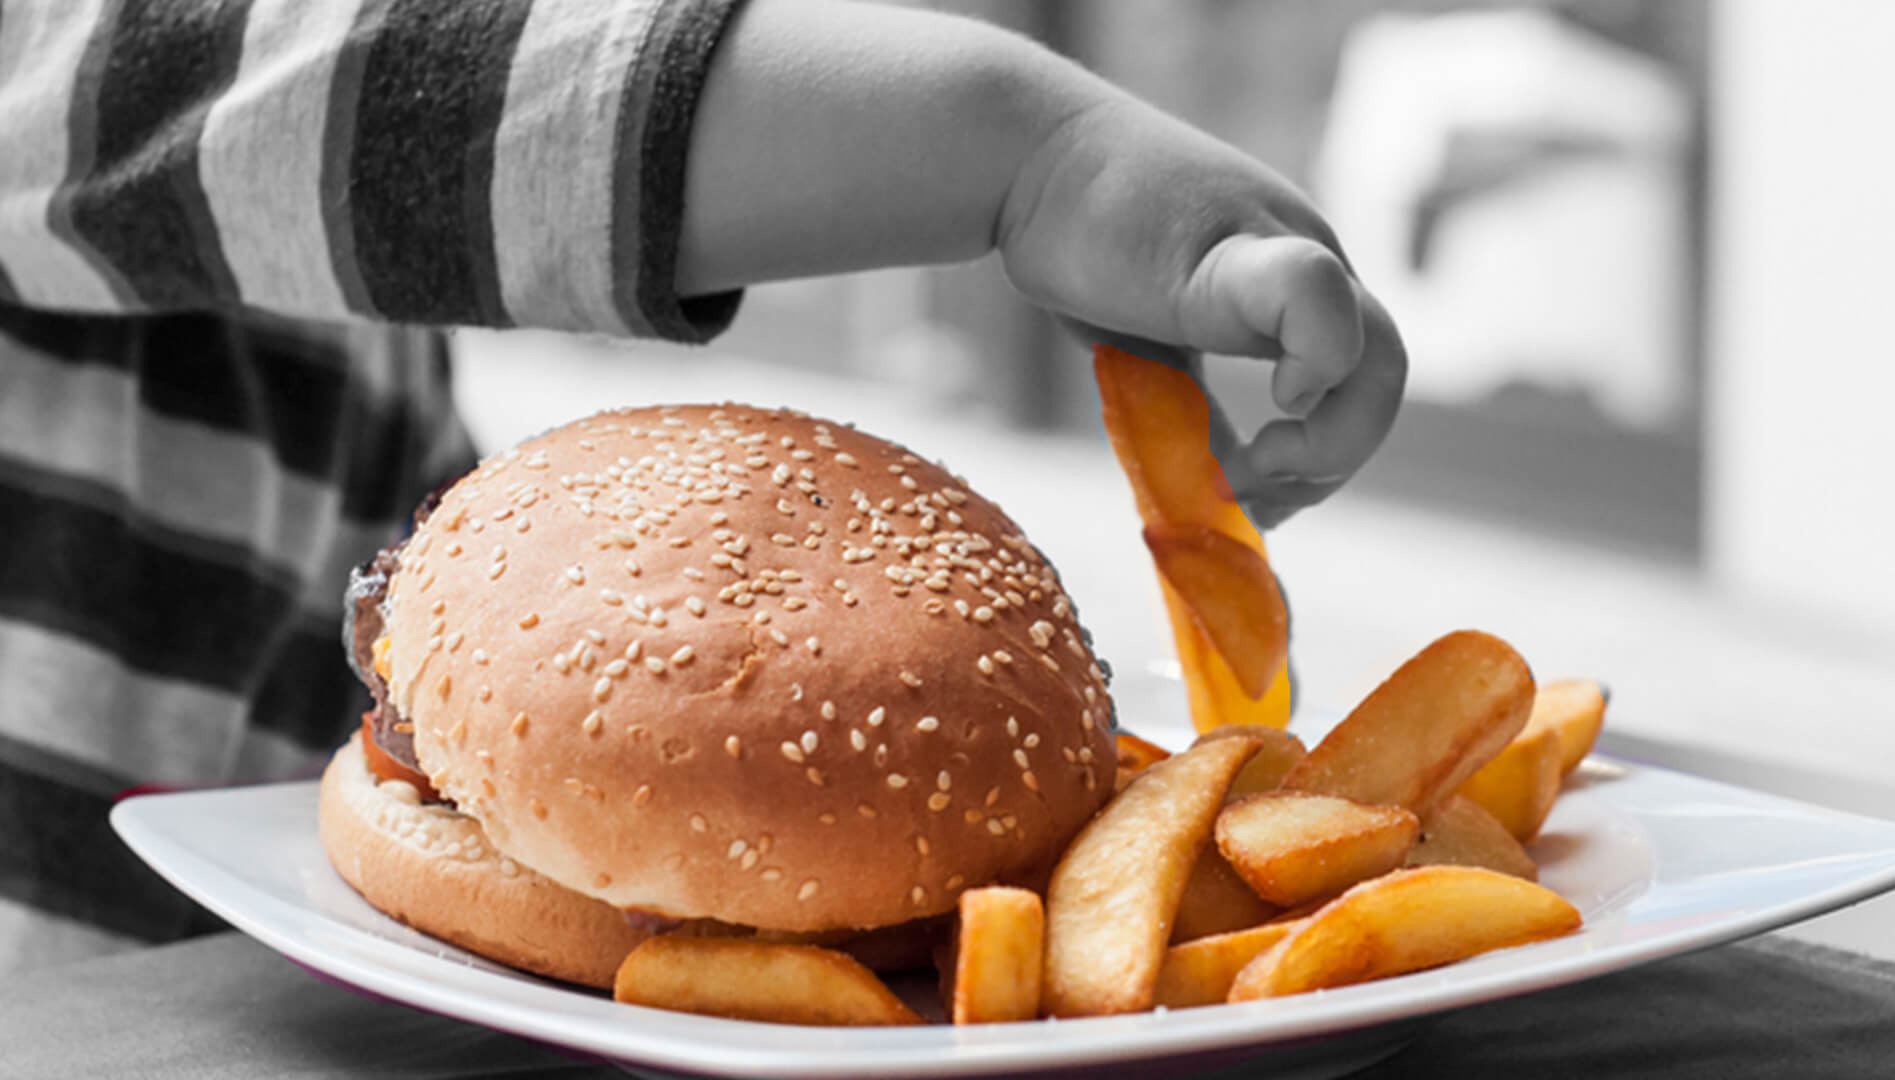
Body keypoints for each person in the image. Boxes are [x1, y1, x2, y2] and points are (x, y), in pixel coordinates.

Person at [0, 0, 1406, 971]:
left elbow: (491, 679)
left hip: (275, 973)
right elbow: (322, 97)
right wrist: (1025, 159)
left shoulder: (338, 340)